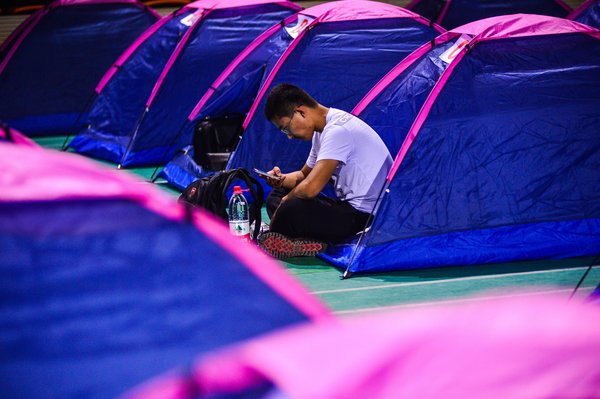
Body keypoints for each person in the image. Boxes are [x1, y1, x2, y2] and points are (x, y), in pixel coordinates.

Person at [257, 83, 393, 259]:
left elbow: (311, 188)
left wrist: (286, 202)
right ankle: (298, 240)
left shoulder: (337, 131)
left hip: (365, 219)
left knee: (291, 205)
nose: (289, 136)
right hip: (347, 209)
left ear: (301, 112)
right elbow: (302, 176)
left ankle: (287, 237)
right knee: (277, 196)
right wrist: (280, 180)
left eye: (285, 128)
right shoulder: (321, 131)